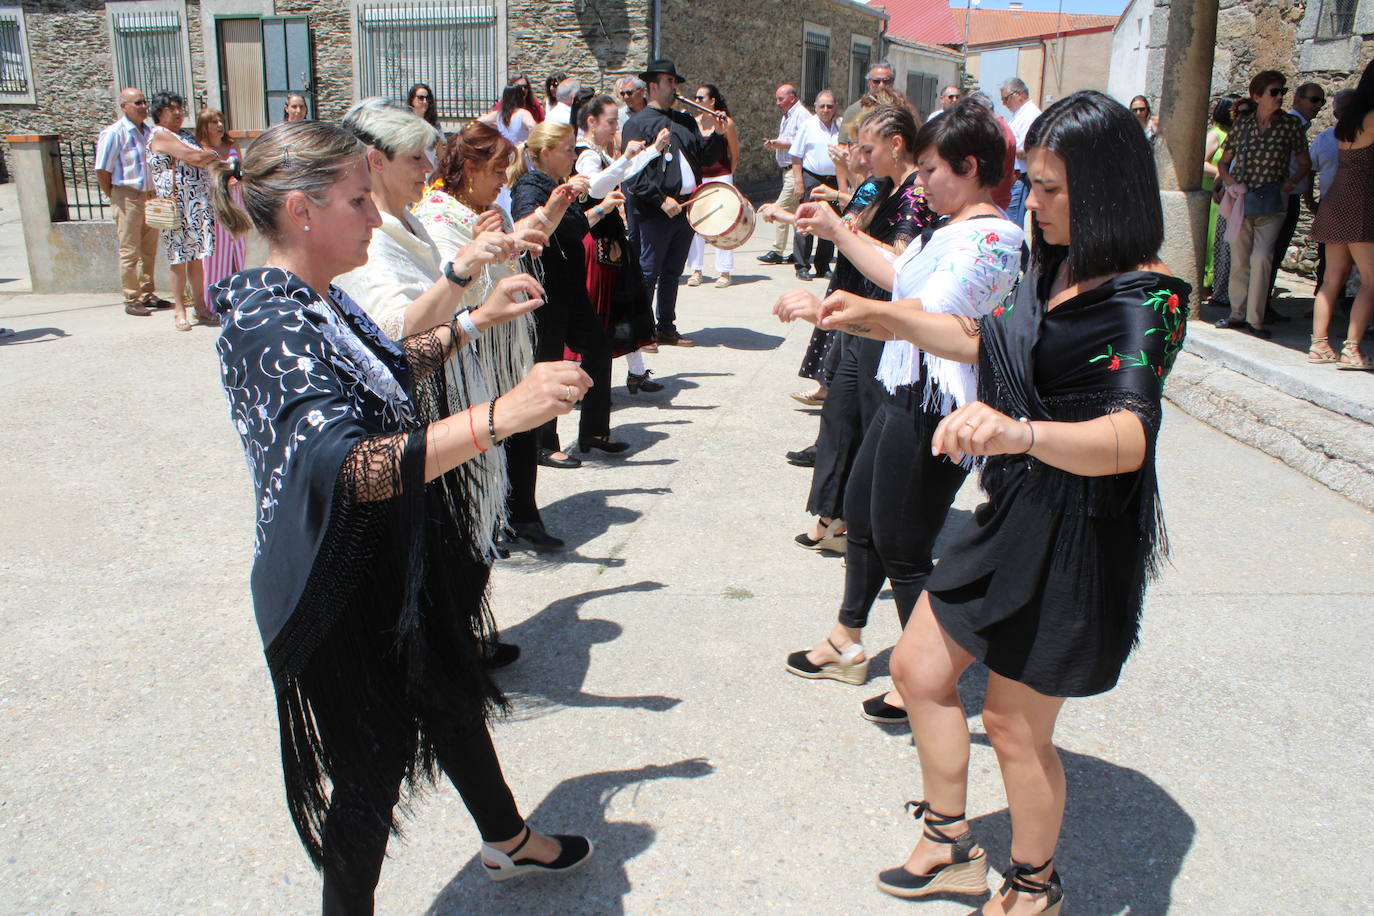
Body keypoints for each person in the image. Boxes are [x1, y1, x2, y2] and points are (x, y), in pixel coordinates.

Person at [206, 118, 595, 914]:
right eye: (358, 200)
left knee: (450, 691)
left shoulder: (310, 300)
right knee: (369, 771)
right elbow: (349, 466)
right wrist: (501, 416)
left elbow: (384, 364)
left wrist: (476, 324)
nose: (376, 216)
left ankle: (508, 842)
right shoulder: (266, 320)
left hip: (388, 558)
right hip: (333, 585)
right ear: (305, 213)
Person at [829, 91, 1185, 911]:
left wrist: (1018, 434)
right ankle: (950, 842)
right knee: (919, 670)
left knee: (1019, 730)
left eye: (1054, 188)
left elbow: (1128, 439)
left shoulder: (1148, 296)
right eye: (1034, 183)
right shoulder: (1051, 259)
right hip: (1017, 511)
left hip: (1079, 530)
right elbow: (985, 341)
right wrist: (874, 315)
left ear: (1107, 188)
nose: (1035, 203)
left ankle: (1034, 885)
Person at [774, 99, 1023, 726]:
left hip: (939, 405)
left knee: (905, 545)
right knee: (862, 515)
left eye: (933, 168)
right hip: (904, 388)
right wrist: (837, 233)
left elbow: (934, 321)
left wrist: (856, 313)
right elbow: (898, 277)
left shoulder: (995, 236)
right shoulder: (948, 225)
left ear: (969, 167)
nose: (922, 180)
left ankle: (927, 680)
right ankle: (846, 640)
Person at [333, 99, 547, 563]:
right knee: (442, 538)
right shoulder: (376, 235)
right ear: (376, 160)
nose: (428, 167)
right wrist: (461, 273)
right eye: (416, 157)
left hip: (451, 391)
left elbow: (450, 306)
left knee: (461, 532)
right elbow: (396, 335)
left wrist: (479, 301)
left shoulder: (408, 221)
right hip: (423, 412)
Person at [767, 103, 937, 556]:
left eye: (869, 147)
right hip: (857, 313)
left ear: (896, 145)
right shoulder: (882, 185)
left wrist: (842, 232)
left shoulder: (917, 195)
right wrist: (807, 221)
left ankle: (855, 523)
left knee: (863, 419)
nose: (861, 156)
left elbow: (901, 264)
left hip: (885, 321)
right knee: (840, 415)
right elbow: (848, 227)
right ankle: (834, 516)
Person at [410, 121, 573, 553]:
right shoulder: (437, 215)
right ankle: (486, 522)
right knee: (481, 435)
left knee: (518, 426)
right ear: (469, 166)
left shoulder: (481, 211)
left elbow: (510, 250)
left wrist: (547, 215)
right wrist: (486, 244)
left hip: (502, 345)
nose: (503, 181)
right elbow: (450, 285)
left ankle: (521, 516)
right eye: (498, 171)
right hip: (470, 346)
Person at [510, 121, 628, 462]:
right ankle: (543, 443)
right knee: (547, 360)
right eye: (566, 150)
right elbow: (526, 225)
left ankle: (594, 431)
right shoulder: (532, 184)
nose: (572, 156)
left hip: (569, 288)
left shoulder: (557, 184)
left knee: (597, 346)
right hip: (546, 287)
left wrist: (603, 207)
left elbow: (574, 227)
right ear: (545, 153)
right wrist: (560, 197)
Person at [620, 58, 728, 348]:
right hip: (654, 210)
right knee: (648, 271)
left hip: (685, 207)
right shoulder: (637, 124)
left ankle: (665, 327)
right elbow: (631, 175)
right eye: (670, 81)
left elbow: (704, 158)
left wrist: (718, 134)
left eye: (676, 81)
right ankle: (641, 333)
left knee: (672, 272)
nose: (675, 87)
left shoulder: (685, 120)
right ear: (653, 86)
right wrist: (660, 198)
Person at [574, 95, 669, 392]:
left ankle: (636, 372)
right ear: (592, 122)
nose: (616, 127)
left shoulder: (597, 152)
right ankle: (579, 381)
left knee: (622, 307)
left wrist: (653, 151)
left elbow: (620, 173)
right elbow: (596, 187)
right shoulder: (586, 155)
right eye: (611, 121)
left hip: (610, 239)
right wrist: (627, 156)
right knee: (599, 310)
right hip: (597, 241)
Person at [1214, 70, 1310, 338]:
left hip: (1272, 200)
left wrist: (1290, 184)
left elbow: (1305, 163)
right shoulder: (1243, 124)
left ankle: (1255, 319)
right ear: (1257, 96)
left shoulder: (1290, 125)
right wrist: (1230, 183)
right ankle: (1236, 312)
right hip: (1243, 200)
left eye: (1282, 92)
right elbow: (1223, 161)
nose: (1280, 97)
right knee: (1240, 258)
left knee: (1262, 257)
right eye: (1274, 92)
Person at [1309, 60, 1374, 370]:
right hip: (1361, 201)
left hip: (1337, 197)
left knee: (1332, 279)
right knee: (1371, 281)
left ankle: (1319, 344)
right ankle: (1352, 349)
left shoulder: (1349, 119)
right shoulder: (1373, 118)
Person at [147, 91, 218, 331]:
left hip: (195, 204)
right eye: (171, 108)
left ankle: (200, 306)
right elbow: (194, 156)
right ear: (159, 112)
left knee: (197, 258)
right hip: (176, 206)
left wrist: (205, 156)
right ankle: (180, 310)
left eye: (179, 108)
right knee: (178, 258)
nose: (177, 112)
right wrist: (206, 155)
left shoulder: (184, 134)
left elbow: (202, 156)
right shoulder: (160, 134)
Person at [95, 86, 168, 316]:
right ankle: (131, 297)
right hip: (127, 195)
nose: (143, 106)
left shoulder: (150, 132)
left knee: (149, 249)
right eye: (137, 102)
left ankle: (148, 292)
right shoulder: (114, 133)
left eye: (144, 101)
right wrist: (115, 195)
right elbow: (102, 169)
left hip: (149, 196)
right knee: (130, 250)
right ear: (124, 106)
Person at [1265, 81, 1325, 309]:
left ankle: (1264, 302)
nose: (1318, 106)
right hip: (1281, 197)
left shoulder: (1300, 126)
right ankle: (1262, 304)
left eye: (1322, 101)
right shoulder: (1290, 125)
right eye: (1314, 100)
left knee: (1276, 251)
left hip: (1290, 197)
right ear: (1297, 99)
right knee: (1273, 250)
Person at [685, 84, 740, 289]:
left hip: (721, 176)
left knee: (723, 223)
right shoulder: (693, 123)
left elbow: (734, 154)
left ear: (712, 100)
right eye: (696, 98)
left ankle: (724, 271)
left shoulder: (727, 123)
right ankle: (696, 269)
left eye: (701, 98)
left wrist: (727, 176)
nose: (697, 101)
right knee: (697, 222)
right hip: (699, 179)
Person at [1305, 89, 1355, 296]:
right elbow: (1309, 169)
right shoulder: (1324, 139)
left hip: (1353, 207)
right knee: (1328, 261)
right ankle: (1328, 299)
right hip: (1333, 207)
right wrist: (1310, 200)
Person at [790, 90, 842, 283]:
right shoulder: (807, 125)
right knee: (806, 221)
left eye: (829, 106)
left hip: (834, 180)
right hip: (812, 177)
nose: (826, 110)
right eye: (822, 106)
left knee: (829, 222)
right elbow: (796, 155)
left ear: (835, 106)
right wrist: (798, 182)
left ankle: (823, 265)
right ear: (815, 107)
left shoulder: (840, 126)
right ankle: (802, 266)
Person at [195, 109, 246, 310]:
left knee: (238, 250)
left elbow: (241, 169)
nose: (218, 125)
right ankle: (214, 303)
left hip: (236, 200)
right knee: (216, 255)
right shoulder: (200, 149)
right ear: (204, 126)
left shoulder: (232, 145)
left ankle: (237, 297)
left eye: (220, 120)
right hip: (215, 203)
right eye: (213, 122)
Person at [757, 84, 810, 265]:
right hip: (786, 170)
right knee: (795, 212)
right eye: (777, 99)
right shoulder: (788, 115)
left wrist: (781, 144)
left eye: (781, 99)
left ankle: (777, 250)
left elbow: (803, 140)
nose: (778, 103)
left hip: (795, 171)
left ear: (792, 98)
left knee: (779, 208)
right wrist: (776, 143)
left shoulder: (801, 115)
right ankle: (798, 252)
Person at [1202, 96, 1237, 308]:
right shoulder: (1216, 134)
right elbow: (1200, 161)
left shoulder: (1235, 135)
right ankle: (1207, 281)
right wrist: (1223, 173)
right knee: (1211, 240)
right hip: (1213, 193)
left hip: (1227, 193)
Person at [1001, 77, 1041, 230]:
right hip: (1013, 176)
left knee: (1012, 226)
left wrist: (1005, 149)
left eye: (1005, 98)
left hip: (1020, 177)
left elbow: (1029, 150)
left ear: (1018, 94)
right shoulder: (1020, 115)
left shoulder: (1030, 115)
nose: (1004, 103)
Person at [967, 90, 1017, 212]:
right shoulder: (1000, 128)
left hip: (993, 201)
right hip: (993, 199)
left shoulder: (998, 131)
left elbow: (987, 164)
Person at [839, 61, 896, 142]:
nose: (881, 85)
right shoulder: (854, 110)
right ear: (869, 82)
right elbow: (843, 145)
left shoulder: (900, 109)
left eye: (886, 81)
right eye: (876, 81)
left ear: (893, 82)